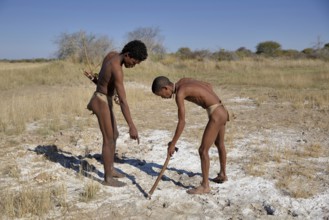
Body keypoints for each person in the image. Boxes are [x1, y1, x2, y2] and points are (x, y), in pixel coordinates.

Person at [151, 76, 229, 194]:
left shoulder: (179, 94)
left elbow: (182, 122)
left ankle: (205, 186)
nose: (163, 97)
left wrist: (173, 143)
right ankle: (223, 174)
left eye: (161, 94)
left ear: (165, 88)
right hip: (221, 109)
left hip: (216, 114)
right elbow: (208, 85)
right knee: (219, 143)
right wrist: (210, 101)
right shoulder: (183, 81)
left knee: (203, 150)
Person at [86, 40, 147, 187]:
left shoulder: (112, 55)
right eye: (134, 61)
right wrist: (131, 126)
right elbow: (124, 102)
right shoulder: (117, 70)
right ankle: (107, 178)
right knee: (109, 139)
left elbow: (103, 79)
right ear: (127, 54)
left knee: (114, 135)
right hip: (101, 102)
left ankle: (111, 169)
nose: (133, 65)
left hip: (103, 98)